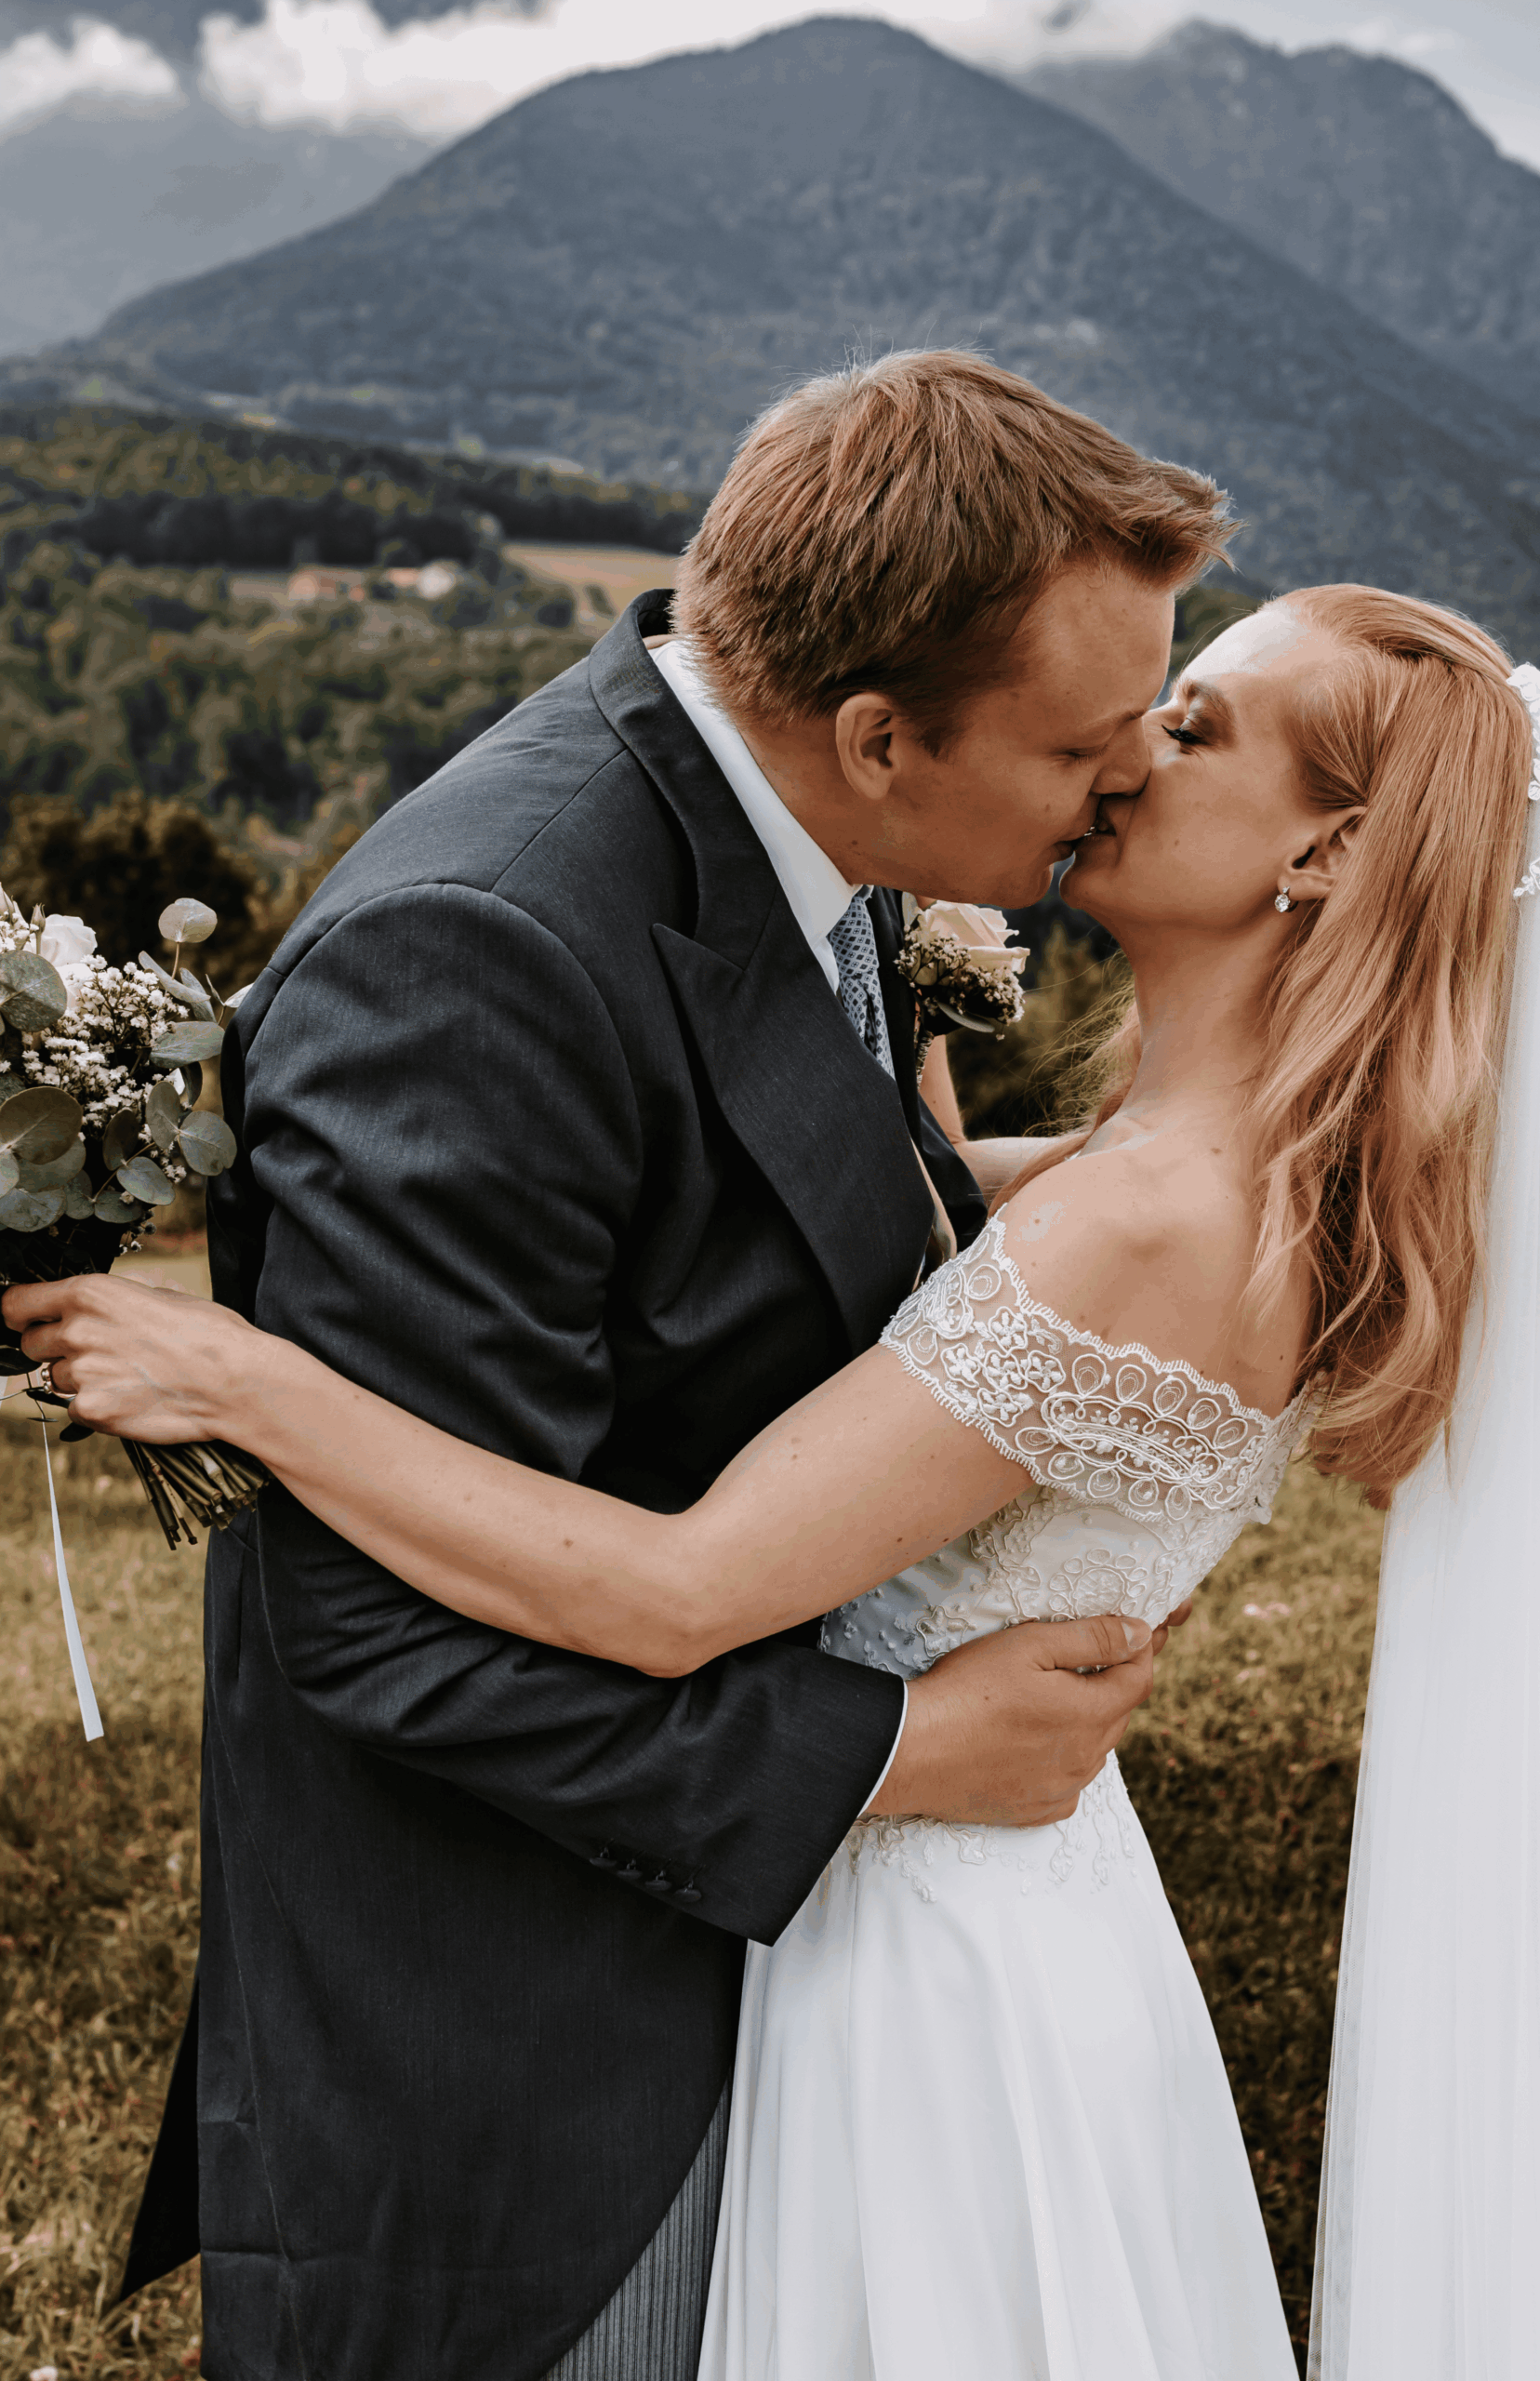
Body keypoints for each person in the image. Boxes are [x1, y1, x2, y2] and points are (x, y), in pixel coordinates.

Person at [11, 581, 1540, 2378]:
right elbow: (928, 1233)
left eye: (1192, 728)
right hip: (1030, 1915)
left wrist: (246, 1377)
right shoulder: (1200, 1171)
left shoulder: (1145, 1217)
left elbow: (677, 1589)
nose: (1123, 754)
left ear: (1324, 856)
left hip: (921, 1965)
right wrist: (898, 1017)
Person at [45, 352, 1233, 2381]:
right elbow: (395, 1642)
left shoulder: (795, 829)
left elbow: (772, 1241)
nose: (1121, 784)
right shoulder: (477, 958)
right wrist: (891, 1756)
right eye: (1089, 745)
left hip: (783, 2002)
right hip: (534, 2079)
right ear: (874, 734)